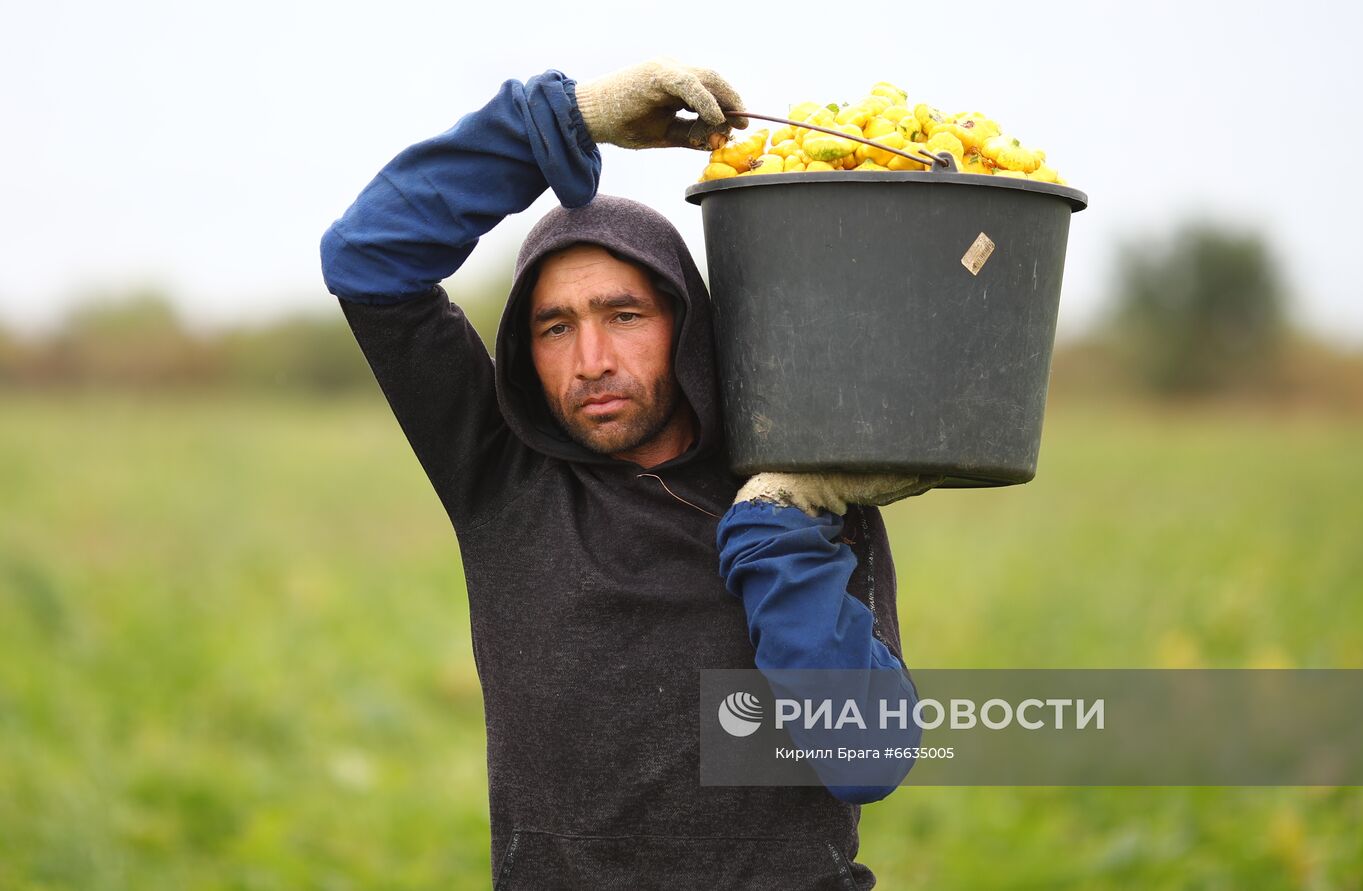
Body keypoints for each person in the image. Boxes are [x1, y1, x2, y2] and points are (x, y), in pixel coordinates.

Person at [320, 58, 938, 890]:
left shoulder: (798, 492)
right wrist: (567, 121)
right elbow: (368, 257)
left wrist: (778, 531)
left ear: (684, 323)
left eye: (624, 315)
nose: (592, 360)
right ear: (525, 350)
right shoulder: (502, 476)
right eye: (555, 327)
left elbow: (866, 757)